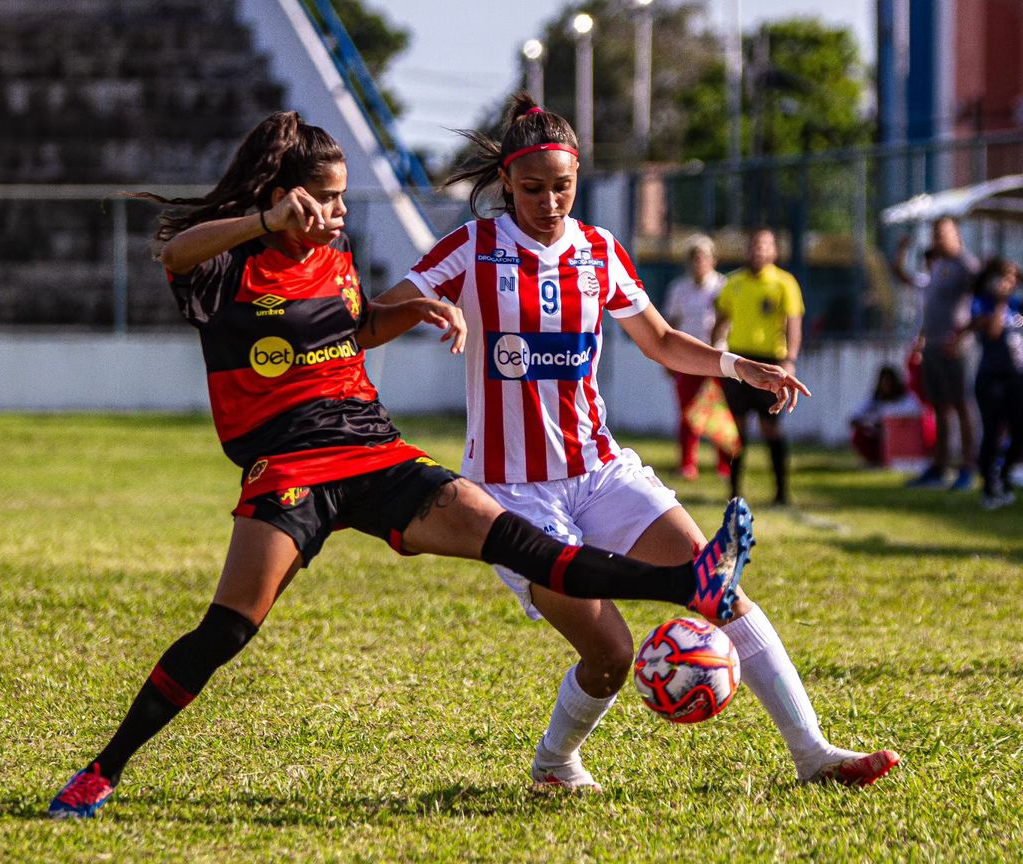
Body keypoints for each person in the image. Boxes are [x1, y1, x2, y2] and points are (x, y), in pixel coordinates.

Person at [46, 111, 754, 819]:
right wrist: (263, 220)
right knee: (227, 630)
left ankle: (684, 580)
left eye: (344, 198)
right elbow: (176, 254)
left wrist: (419, 308)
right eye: (326, 199)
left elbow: (357, 329)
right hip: (290, 465)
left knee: (520, 542)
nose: (339, 212)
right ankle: (102, 770)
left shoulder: (335, 253)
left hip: (372, 448)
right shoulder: (232, 263)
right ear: (287, 197)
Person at [377, 94, 898, 791]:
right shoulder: (471, 248)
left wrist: (738, 364)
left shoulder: (598, 251)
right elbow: (376, 316)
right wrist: (421, 305)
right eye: (532, 188)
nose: (550, 201)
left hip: (602, 473)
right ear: (506, 182)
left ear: (578, 177)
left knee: (719, 588)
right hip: (511, 495)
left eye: (562, 186)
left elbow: (657, 339)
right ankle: (557, 762)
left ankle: (814, 754)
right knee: (610, 653)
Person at [712, 228, 804, 506]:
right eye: (754, 245)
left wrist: (790, 360)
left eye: (765, 245)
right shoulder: (734, 283)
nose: (759, 251)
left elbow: (793, 324)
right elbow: (721, 320)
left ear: (774, 251)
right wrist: (712, 353)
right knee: (736, 429)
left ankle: (781, 492)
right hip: (739, 360)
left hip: (770, 362)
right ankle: (734, 491)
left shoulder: (784, 283)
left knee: (770, 427)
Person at [893, 219, 980, 490]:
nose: (938, 239)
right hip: (931, 348)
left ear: (957, 235)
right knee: (940, 408)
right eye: (935, 234)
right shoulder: (938, 266)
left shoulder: (967, 265)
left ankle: (968, 468)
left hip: (955, 350)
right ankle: (939, 467)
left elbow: (984, 302)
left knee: (962, 406)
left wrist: (962, 337)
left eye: (943, 234)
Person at [661, 234, 733, 480]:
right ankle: (687, 464)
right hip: (688, 358)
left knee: (719, 411)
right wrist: (667, 357)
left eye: (703, 257)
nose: (699, 262)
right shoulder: (679, 289)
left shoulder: (724, 286)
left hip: (717, 358)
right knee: (688, 411)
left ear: (713, 259)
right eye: (694, 258)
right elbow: (671, 324)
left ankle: (725, 465)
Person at [970, 258, 1023, 509]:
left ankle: (1004, 478)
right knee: (992, 432)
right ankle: (988, 487)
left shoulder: (1017, 303)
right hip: (992, 377)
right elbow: (993, 332)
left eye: (1010, 278)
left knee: (1022, 431)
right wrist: (1000, 301)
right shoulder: (981, 304)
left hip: (1019, 376)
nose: (1008, 283)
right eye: (1003, 277)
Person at [849, 365, 926, 466]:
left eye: (889, 382)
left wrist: (891, 423)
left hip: (902, 438)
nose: (886, 385)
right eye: (883, 382)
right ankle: (875, 460)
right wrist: (867, 423)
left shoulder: (906, 397)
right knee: (859, 435)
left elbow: (915, 414)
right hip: (880, 437)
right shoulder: (876, 398)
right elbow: (857, 415)